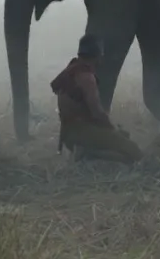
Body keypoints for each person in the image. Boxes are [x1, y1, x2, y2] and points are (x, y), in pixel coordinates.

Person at [50, 33, 143, 163]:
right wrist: (112, 129)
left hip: (69, 135)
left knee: (121, 140)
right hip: (83, 133)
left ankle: (88, 153)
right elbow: (97, 113)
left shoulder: (70, 71)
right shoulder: (87, 77)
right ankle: (87, 154)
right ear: (98, 55)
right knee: (133, 151)